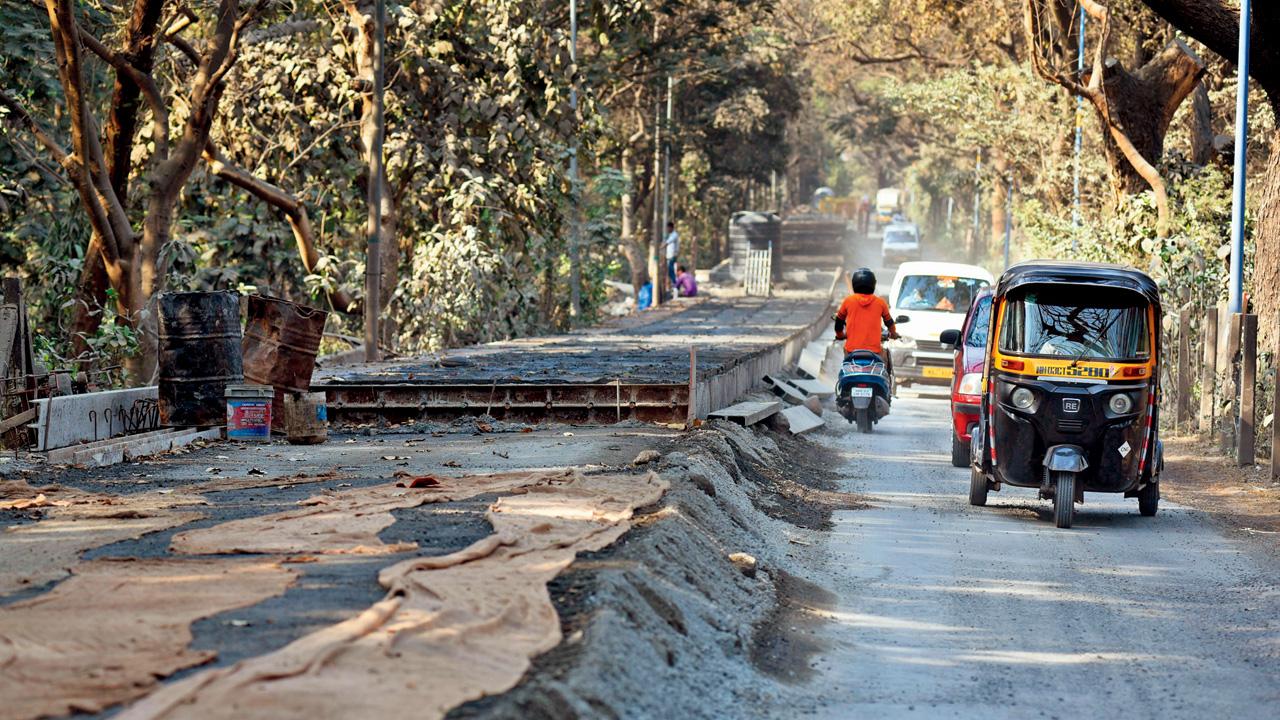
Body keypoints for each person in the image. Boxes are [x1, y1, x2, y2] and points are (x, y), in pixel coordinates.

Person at [834, 267, 899, 363]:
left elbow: (839, 323)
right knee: (885, 362)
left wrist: (840, 335)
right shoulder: (881, 303)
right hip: (875, 352)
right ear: (873, 284)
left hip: (851, 351)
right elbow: (889, 323)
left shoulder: (848, 301)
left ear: (854, 284)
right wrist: (893, 334)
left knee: (846, 368)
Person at [662, 222, 679, 290]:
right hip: (669, 255)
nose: (667, 229)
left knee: (670, 270)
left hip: (672, 255)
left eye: (668, 228)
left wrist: (660, 247)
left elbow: (667, 242)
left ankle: (675, 284)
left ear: (671, 227)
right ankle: (672, 285)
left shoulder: (674, 235)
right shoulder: (670, 234)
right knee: (669, 271)